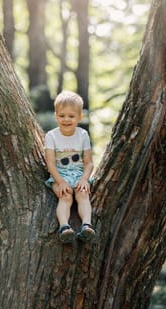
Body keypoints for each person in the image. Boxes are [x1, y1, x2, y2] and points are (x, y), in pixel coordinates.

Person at [45, 90, 97, 243]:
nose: (66, 119)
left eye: (71, 116)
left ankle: (87, 225)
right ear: (56, 116)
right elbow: (50, 163)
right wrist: (60, 182)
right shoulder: (52, 136)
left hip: (79, 174)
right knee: (65, 197)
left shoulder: (82, 135)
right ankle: (64, 227)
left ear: (79, 117)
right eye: (62, 116)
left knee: (82, 195)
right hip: (59, 174)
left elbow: (89, 163)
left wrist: (84, 179)